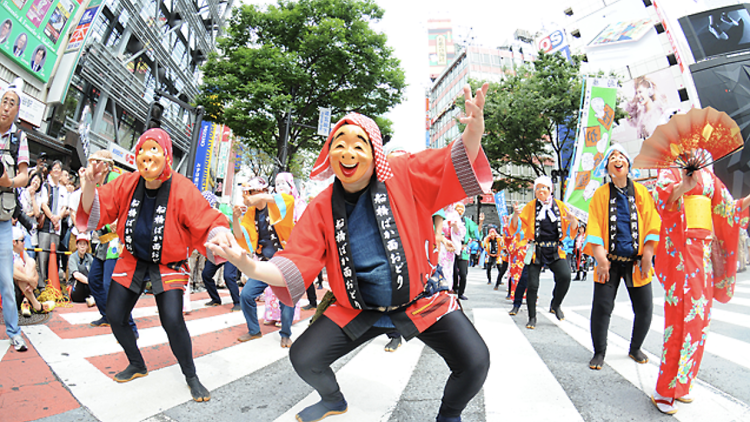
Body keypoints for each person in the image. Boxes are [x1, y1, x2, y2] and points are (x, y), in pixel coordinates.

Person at [207, 82, 492, 422]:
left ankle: (449, 415)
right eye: (339, 145)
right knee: (304, 358)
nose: (348, 152)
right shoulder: (322, 205)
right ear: (330, 156)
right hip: (357, 306)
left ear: (375, 153)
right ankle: (333, 399)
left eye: (359, 145)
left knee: (475, 362)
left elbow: (451, 161)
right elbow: (297, 261)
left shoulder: (404, 173)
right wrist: (250, 267)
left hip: (418, 298)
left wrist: (473, 131)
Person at [77, 128, 229, 402]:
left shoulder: (182, 187)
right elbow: (94, 211)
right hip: (132, 258)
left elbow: (206, 220)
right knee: (114, 314)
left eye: (154, 150)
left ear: (167, 156)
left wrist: (222, 236)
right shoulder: (127, 183)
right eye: (142, 150)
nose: (147, 156)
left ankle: (191, 375)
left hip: (169, 263)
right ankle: (136, 363)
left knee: (172, 320)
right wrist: (90, 184)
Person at [650, 152, 750, 415]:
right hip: (681, 255)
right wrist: (683, 186)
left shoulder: (709, 176)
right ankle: (664, 389)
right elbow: (662, 201)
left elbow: (727, 210)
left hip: (702, 256)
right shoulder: (671, 170)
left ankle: (681, 384)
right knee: (678, 324)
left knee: (698, 324)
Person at [583, 145, 661, 371]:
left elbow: (652, 221)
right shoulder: (601, 194)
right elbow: (595, 225)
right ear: (607, 168)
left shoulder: (642, 192)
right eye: (612, 158)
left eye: (621, 157)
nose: (617, 160)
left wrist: (648, 253)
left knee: (645, 308)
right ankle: (599, 352)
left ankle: (635, 347)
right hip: (608, 261)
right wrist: (600, 258)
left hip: (637, 262)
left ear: (628, 164)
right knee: (602, 307)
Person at [232, 176, 296, 348]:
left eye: (250, 193)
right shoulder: (251, 213)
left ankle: (286, 334)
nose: (247, 197)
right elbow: (241, 236)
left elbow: (289, 200)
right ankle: (254, 330)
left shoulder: (277, 204)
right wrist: (235, 219)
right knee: (246, 295)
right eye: (247, 193)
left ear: (262, 192)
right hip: (264, 262)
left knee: (286, 300)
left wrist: (260, 197)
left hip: (283, 261)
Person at [509, 175, 578, 329]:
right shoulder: (530, 207)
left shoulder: (560, 205)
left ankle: (556, 304)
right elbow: (516, 226)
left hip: (555, 248)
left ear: (550, 190)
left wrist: (572, 219)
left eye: (544, 187)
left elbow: (572, 226)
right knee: (532, 285)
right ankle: (532, 317)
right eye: (538, 188)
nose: (541, 190)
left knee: (565, 276)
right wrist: (515, 214)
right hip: (536, 249)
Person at [0, 79, 31, 352]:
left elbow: (24, 176)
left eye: (11, 103)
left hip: (2, 222)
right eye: (3, 101)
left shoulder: (18, 138)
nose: (5, 107)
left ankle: (14, 331)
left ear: (17, 110)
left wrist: (8, 181)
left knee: (6, 280)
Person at [200, 190, 241, 312]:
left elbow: (232, 223)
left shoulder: (221, 210)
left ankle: (237, 302)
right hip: (215, 251)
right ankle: (216, 299)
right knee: (206, 275)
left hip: (228, 248)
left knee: (228, 276)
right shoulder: (202, 215)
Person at [38, 159, 67, 289]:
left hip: (56, 228)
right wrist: (53, 218)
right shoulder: (45, 186)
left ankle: (51, 285)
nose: (57, 170)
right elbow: (43, 204)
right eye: (54, 168)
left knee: (53, 257)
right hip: (45, 227)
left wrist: (58, 218)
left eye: (59, 169)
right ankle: (40, 284)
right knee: (42, 256)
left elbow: (64, 207)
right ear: (50, 171)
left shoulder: (63, 189)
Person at [13, 225, 54, 316]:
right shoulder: (7, 254)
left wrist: (33, 281)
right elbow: (12, 273)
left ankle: (26, 301)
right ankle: (36, 305)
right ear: (14, 242)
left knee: (31, 262)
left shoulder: (22, 252)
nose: (24, 243)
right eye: (22, 240)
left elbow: (34, 270)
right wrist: (30, 280)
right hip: (13, 289)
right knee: (18, 266)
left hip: (25, 288)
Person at [453, 204, 482, 298]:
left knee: (463, 273)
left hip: (463, 249)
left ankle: (461, 292)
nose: (460, 210)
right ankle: (454, 288)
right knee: (453, 272)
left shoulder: (467, 222)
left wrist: (481, 222)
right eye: (458, 208)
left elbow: (476, 233)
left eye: (462, 208)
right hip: (451, 249)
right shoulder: (449, 218)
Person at [67, 232, 95, 304]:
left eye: (84, 244)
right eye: (80, 244)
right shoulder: (73, 257)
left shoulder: (89, 257)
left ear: (87, 246)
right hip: (76, 287)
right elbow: (76, 275)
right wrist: (90, 282)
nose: (82, 247)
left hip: (87, 286)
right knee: (80, 279)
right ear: (77, 245)